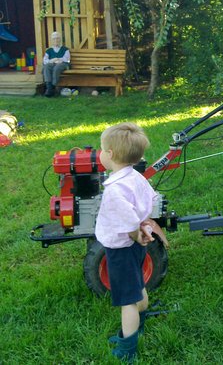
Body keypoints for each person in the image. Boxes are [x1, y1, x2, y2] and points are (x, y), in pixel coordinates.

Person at [94, 122, 157, 362]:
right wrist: (143, 226)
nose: (100, 153)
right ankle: (139, 326)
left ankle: (127, 348)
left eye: (102, 149)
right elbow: (150, 198)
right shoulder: (135, 176)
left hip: (121, 247)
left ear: (109, 154)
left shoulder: (114, 190)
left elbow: (128, 219)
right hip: (135, 247)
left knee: (127, 300)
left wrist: (135, 232)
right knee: (137, 284)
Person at [42, 31, 70, 97]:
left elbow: (67, 59)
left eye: (57, 38)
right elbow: (45, 61)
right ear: (52, 40)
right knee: (46, 66)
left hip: (63, 64)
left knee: (57, 67)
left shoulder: (65, 49)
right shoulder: (49, 50)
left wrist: (58, 59)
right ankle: (49, 87)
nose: (56, 40)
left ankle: (52, 87)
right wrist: (52, 60)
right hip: (52, 64)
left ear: (60, 39)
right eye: (54, 39)